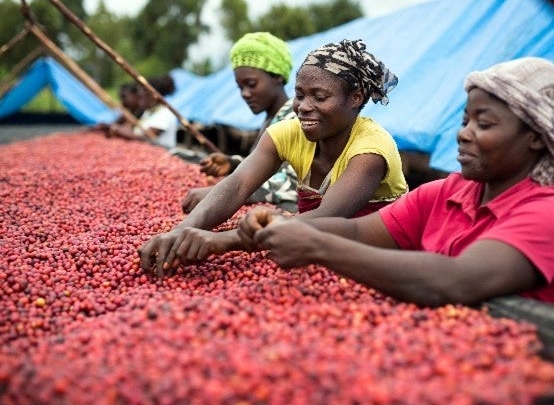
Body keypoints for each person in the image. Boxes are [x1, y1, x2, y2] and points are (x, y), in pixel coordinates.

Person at [235, 57, 554, 306]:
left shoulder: (544, 213)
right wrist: (281, 225)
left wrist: (318, 247)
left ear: (537, 138)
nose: (463, 134)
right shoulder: (447, 192)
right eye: (465, 120)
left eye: (483, 124)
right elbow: (358, 230)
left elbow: (457, 280)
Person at [138, 39, 408, 276]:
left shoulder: (371, 149)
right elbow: (237, 185)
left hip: (380, 262)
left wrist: (223, 241)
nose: (303, 107)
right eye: (300, 95)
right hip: (313, 254)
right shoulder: (288, 133)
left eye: (320, 97)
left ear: (356, 97)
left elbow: (324, 218)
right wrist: (181, 230)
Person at [181, 32, 298, 212]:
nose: (244, 93)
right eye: (240, 87)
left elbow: (291, 184)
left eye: (251, 84)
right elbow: (269, 168)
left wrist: (220, 193)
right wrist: (233, 163)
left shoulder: (295, 119)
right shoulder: (271, 119)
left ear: (277, 77)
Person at [107, 75, 178, 149]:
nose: (140, 102)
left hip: (162, 155)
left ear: (152, 96)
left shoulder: (164, 114)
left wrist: (117, 129)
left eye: (141, 98)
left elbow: (147, 138)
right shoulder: (148, 113)